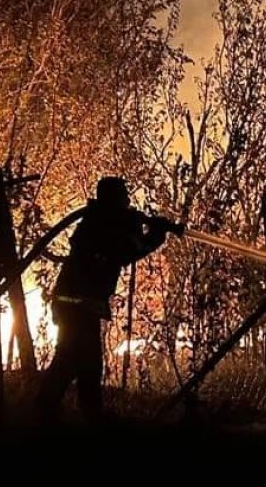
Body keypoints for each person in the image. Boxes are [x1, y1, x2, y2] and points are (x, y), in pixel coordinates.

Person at [35, 176, 180, 423]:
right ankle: (49, 412)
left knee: (84, 362)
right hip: (78, 304)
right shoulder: (104, 224)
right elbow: (130, 250)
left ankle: (82, 414)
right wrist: (156, 234)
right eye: (124, 196)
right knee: (75, 360)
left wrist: (146, 229)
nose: (128, 200)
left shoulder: (100, 220)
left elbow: (127, 245)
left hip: (76, 303)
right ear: (114, 198)